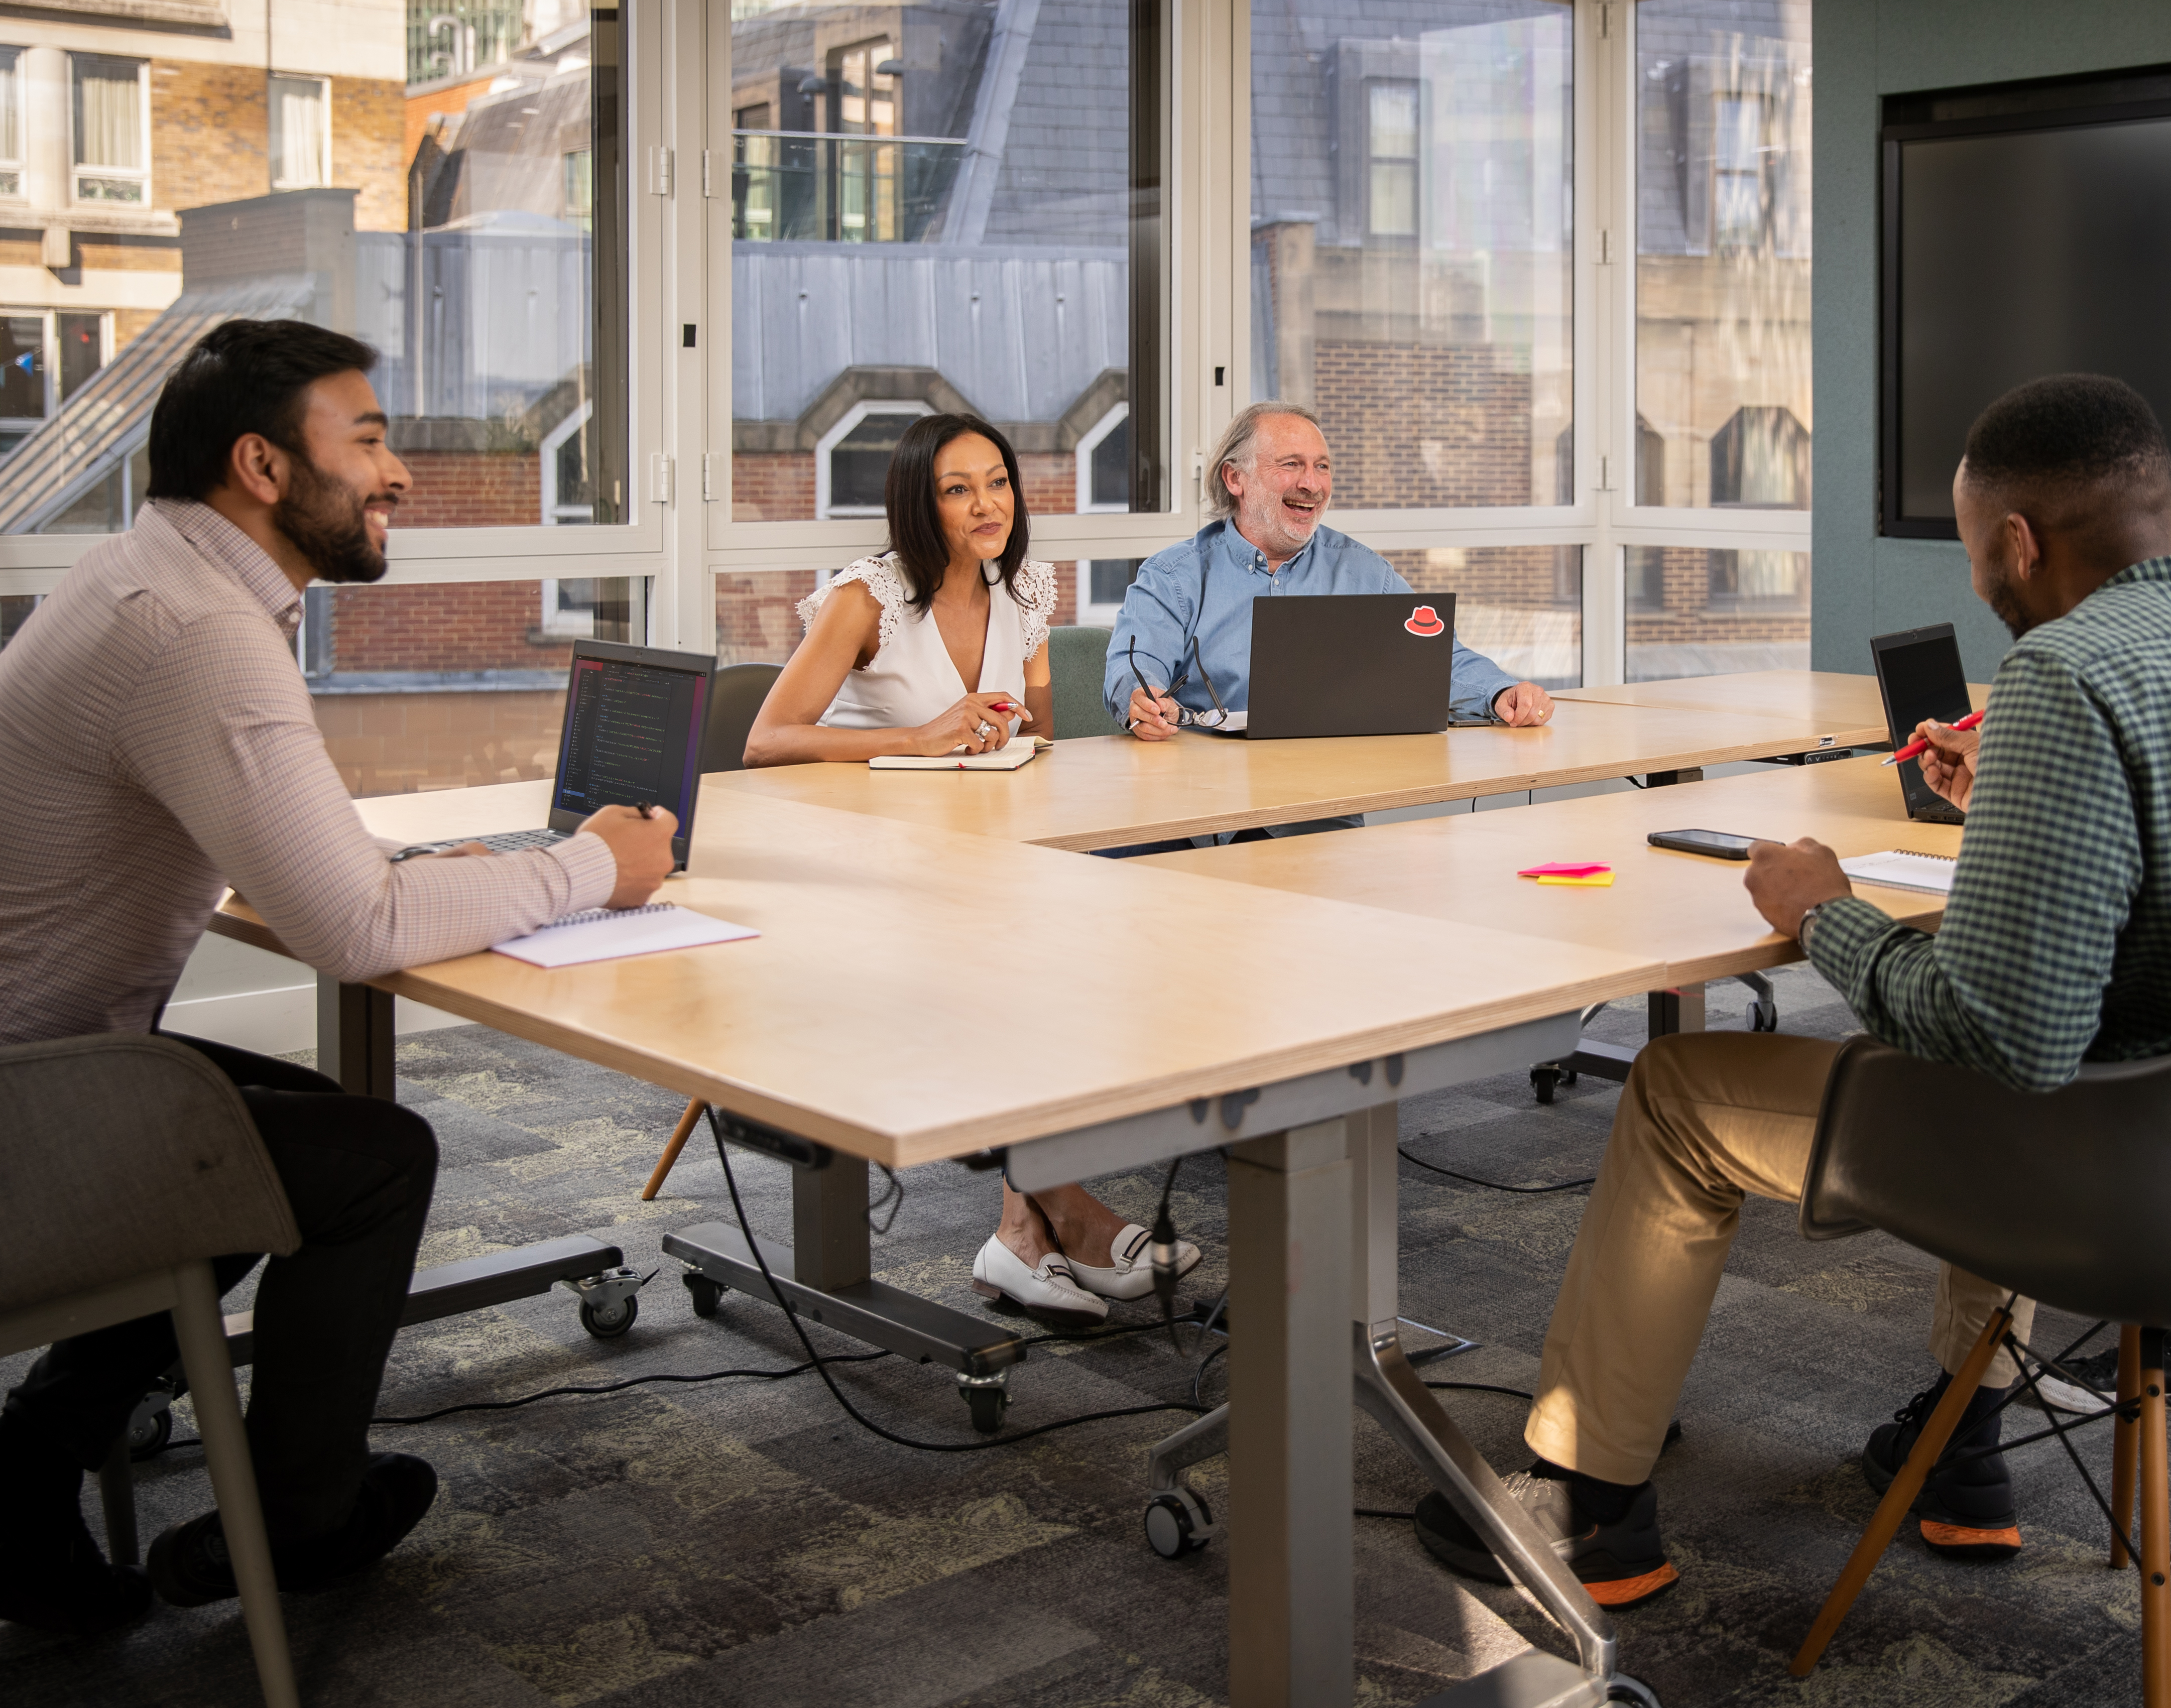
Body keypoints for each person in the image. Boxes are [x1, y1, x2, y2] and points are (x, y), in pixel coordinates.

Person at [1409, 374, 2171, 1607]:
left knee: (1678, 1087)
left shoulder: (2068, 674)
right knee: (2074, 1039)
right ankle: (1958, 1447)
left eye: (1975, 554)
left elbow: (1997, 1039)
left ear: (2016, 541)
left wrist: (1820, 910)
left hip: (2145, 1191)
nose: (1979, 584)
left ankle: (1586, 1502)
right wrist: (2020, 812)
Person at [0, 320, 677, 1636]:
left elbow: (296, 868)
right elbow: (356, 932)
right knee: (365, 1162)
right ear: (262, 464)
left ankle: (24, 1470)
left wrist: (430, 869)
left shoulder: (148, 578)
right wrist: (592, 870)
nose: (401, 473)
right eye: (365, 438)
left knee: (258, 1146)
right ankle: (298, 1525)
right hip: (33, 1111)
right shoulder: (198, 628)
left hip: (55, 1056)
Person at [740, 412, 1202, 1327]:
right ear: (922, 502)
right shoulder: (865, 599)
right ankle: (1052, 1217)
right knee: (1025, 966)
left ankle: (1030, 1230)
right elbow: (763, 741)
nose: (987, 503)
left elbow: (1040, 739)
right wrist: (916, 737)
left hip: (983, 861)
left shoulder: (1023, 588)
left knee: (1105, 935)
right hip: (872, 874)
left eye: (997, 480)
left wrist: (1038, 728)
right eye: (959, 488)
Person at [1105, 402, 1556, 756]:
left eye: (1322, 466)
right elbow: (1136, 663)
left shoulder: (1365, 573)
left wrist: (1502, 693)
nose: (1313, 484)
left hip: (1325, 801)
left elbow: (1437, 660)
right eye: (1291, 465)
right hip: (1204, 799)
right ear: (1235, 478)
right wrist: (1145, 702)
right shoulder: (1173, 577)